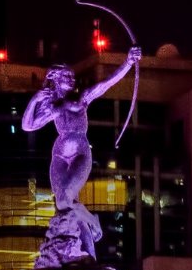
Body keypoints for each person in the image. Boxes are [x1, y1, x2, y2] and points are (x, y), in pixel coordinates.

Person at [21, 46, 142, 214]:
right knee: (61, 204)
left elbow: (106, 83)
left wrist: (128, 62)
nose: (72, 79)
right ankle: (80, 233)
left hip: (80, 151)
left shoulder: (82, 97)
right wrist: (35, 99)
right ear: (57, 79)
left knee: (66, 198)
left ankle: (91, 223)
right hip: (59, 153)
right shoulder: (51, 105)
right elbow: (27, 125)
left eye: (72, 76)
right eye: (67, 76)